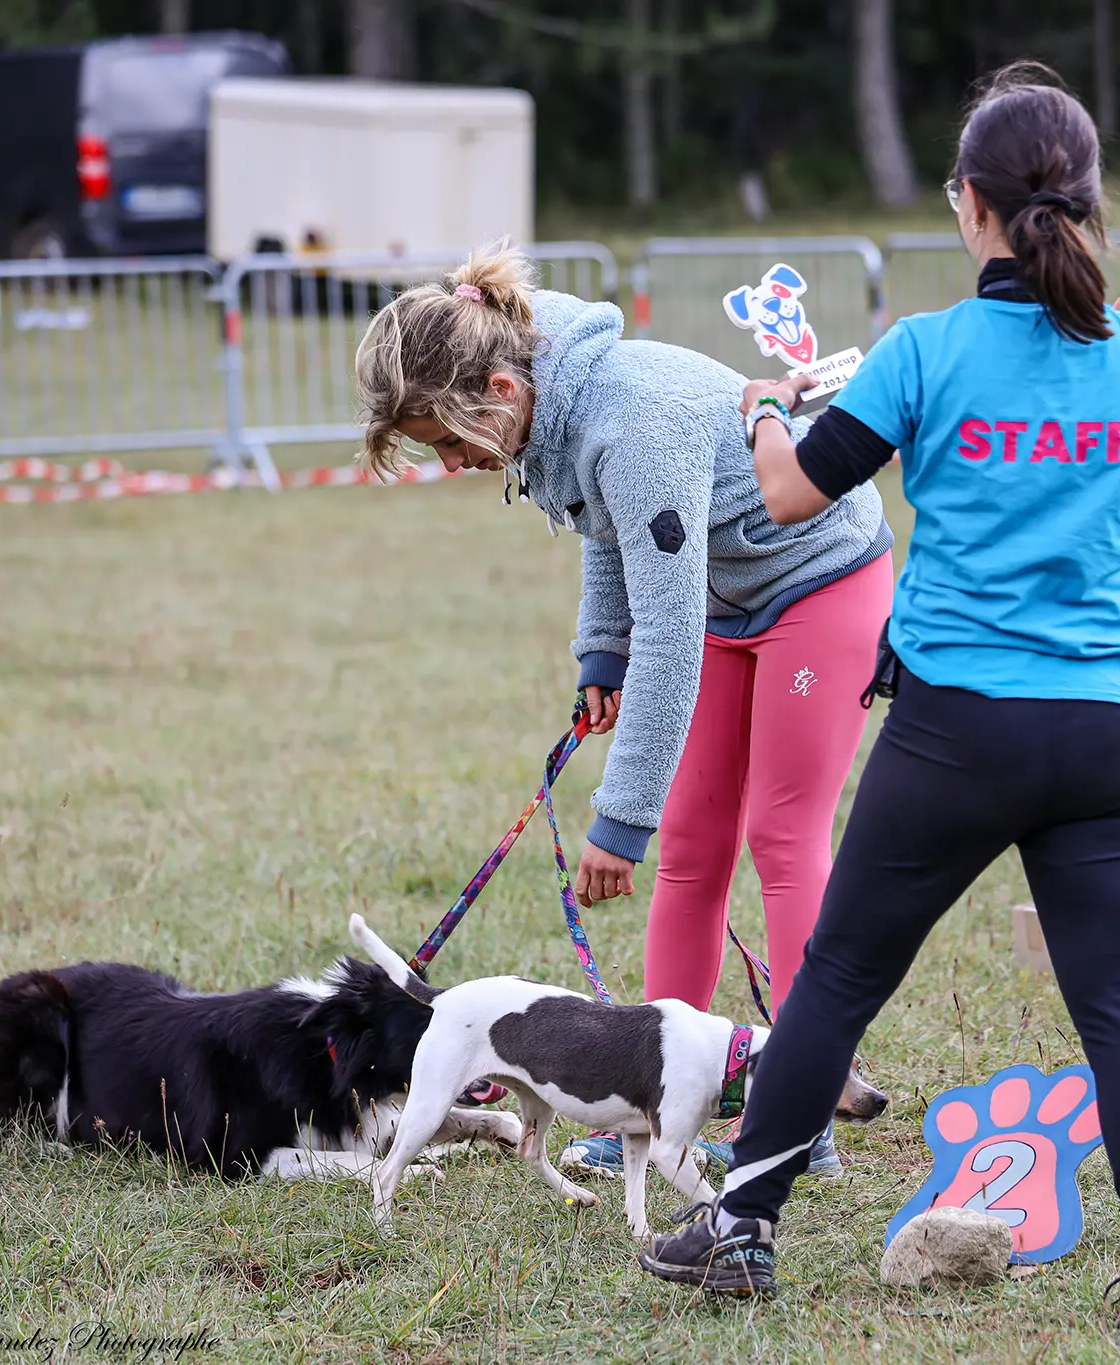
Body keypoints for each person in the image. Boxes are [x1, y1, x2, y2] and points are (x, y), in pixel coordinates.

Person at [636, 63, 1120, 1330]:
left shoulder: (925, 351)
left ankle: (742, 1230)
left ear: (966, 206)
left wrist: (762, 410)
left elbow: (792, 495)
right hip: (1105, 734)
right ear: (1085, 204)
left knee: (839, 983)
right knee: (1118, 1005)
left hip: (956, 730)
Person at [354, 243, 895, 1175]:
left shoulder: (628, 419)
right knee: (692, 846)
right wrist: (601, 651)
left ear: (499, 388)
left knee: (780, 833)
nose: (449, 464)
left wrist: (620, 816)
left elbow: (671, 633)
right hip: (720, 590)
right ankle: (648, 1108)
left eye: (449, 441)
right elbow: (600, 520)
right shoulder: (541, 375)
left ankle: (804, 1110)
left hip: (820, 581)